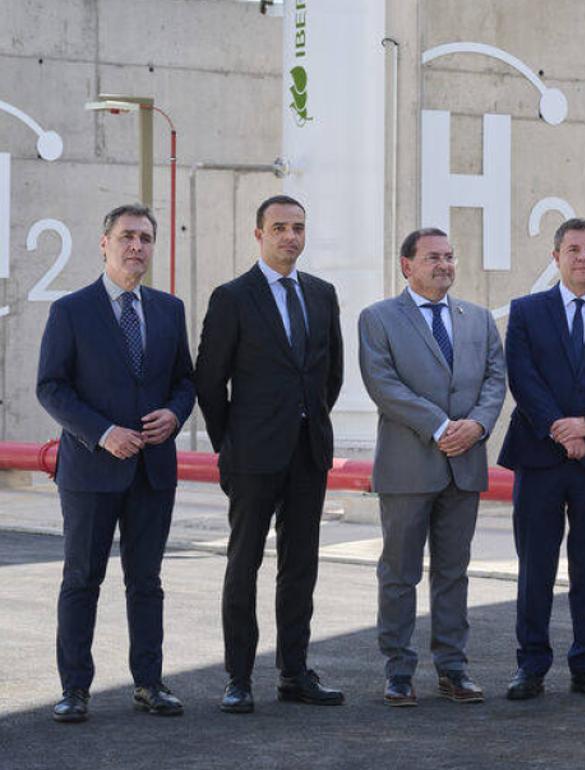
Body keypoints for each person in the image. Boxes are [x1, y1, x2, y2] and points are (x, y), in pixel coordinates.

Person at [37, 204, 194, 722]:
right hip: (90, 470)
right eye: (127, 236)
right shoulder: (71, 310)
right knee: (82, 579)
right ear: (104, 243)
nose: (136, 246)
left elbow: (185, 381)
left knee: (146, 582)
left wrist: (175, 414)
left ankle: (149, 683)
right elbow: (51, 387)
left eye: (145, 238)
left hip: (153, 470)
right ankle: (74, 689)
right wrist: (103, 433)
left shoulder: (169, 309)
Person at [195, 195, 344, 712]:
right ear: (258, 234)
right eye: (279, 227)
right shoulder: (232, 297)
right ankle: (238, 678)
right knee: (244, 565)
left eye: (298, 227)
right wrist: (229, 442)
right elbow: (209, 380)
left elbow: (330, 374)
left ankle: (294, 673)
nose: (290, 236)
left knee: (300, 567)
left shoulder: (322, 294)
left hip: (308, 452)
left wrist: (310, 421)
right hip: (251, 456)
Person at [358, 227, 505, 706]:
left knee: (453, 572)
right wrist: (441, 426)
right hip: (408, 467)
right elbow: (383, 384)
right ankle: (399, 671)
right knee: (399, 574)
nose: (444, 265)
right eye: (432, 257)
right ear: (407, 265)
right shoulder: (378, 318)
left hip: (465, 464)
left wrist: (477, 426)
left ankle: (453, 668)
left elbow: (495, 380)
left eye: (449, 256)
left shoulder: (478, 319)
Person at [498, 218, 585, 701]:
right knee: (535, 567)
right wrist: (560, 428)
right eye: (574, 249)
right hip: (539, 455)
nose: (584, 257)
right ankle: (530, 665)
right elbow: (522, 376)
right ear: (555, 257)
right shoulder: (527, 311)